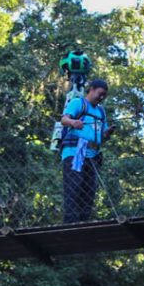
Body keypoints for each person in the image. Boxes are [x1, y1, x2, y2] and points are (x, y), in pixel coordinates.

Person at [59, 78, 114, 223]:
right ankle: (71, 223)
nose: (101, 97)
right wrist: (73, 122)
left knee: (89, 191)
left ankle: (84, 222)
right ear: (91, 89)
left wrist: (107, 133)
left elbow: (102, 135)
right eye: (100, 93)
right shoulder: (79, 103)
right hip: (74, 152)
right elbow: (64, 119)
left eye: (104, 96)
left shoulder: (101, 111)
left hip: (93, 155)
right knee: (74, 187)